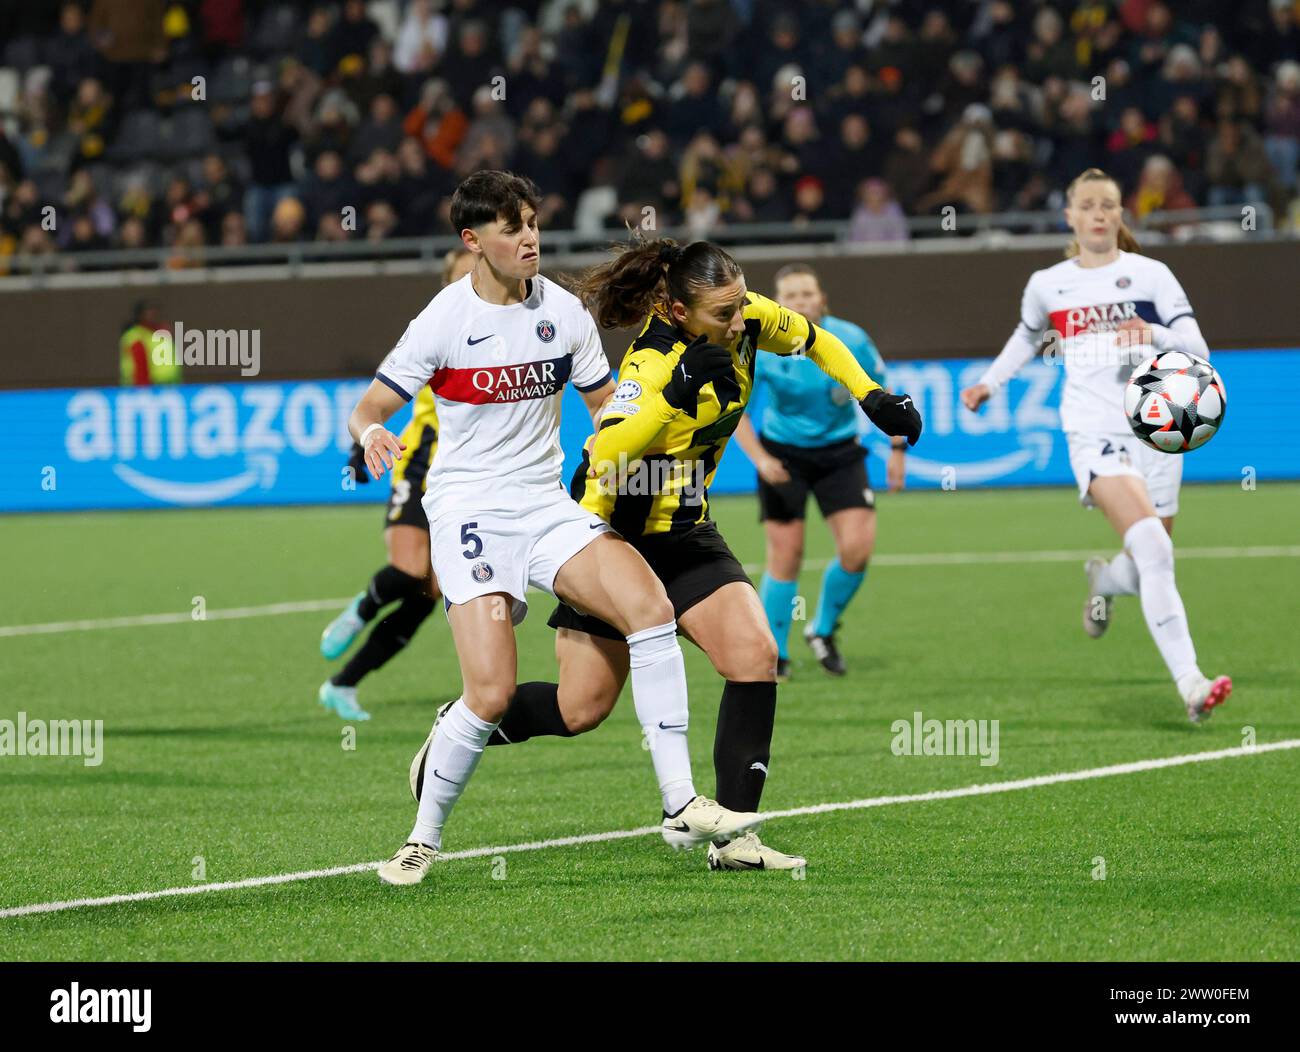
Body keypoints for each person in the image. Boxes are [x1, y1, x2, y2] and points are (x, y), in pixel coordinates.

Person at [454, 236, 921, 871]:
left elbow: (815, 339)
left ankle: (736, 841)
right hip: (609, 534)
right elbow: (607, 456)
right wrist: (676, 394)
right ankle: (462, 729)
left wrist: (869, 395)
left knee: (754, 653)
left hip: (685, 531)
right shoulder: (650, 363)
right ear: (678, 312)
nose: (740, 321)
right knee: (580, 707)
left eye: (740, 306)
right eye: (722, 314)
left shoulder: (746, 314)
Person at [348, 172, 759, 886]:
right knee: (490, 694)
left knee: (650, 607)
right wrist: (371, 434)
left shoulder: (564, 313)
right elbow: (369, 407)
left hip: (544, 505)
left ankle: (679, 803)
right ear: (473, 241)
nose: (529, 237)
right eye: (512, 228)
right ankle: (422, 840)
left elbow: (605, 403)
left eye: (533, 222)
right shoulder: (444, 320)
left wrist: (616, 435)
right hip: (470, 510)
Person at [960, 167, 1230, 722]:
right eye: (1088, 205)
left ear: (1121, 215)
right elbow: (1028, 335)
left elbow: (1198, 348)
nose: (1099, 214)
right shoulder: (1048, 283)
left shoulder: (1152, 275)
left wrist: (1152, 334)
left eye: (1108, 204)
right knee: (1155, 549)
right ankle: (1192, 684)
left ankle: (1107, 581)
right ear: (1071, 216)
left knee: (1149, 557)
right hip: (1093, 432)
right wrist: (991, 381)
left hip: (1159, 433)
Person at [317, 248, 474, 721]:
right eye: (462, 275)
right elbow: (383, 393)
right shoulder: (432, 330)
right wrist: (360, 446)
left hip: (467, 480)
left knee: (429, 595)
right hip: (422, 466)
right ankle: (361, 609)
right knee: (408, 570)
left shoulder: (506, 330)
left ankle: (342, 685)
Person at [731, 263, 906, 680]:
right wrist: (761, 458)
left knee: (857, 549)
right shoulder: (761, 345)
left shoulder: (850, 339)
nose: (801, 302)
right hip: (783, 455)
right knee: (786, 556)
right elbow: (737, 413)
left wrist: (898, 448)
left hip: (840, 453)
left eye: (807, 293)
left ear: (822, 298)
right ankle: (776, 652)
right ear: (778, 304)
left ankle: (822, 629)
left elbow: (884, 391)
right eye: (790, 296)